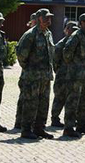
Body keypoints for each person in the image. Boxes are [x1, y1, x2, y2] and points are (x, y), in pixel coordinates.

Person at [15, 8, 55, 140]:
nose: (48, 20)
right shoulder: (30, 34)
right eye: (46, 18)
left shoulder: (48, 34)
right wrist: (29, 69)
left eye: (50, 17)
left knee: (43, 104)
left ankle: (39, 128)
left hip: (45, 77)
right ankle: (26, 130)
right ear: (38, 19)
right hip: (32, 77)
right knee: (30, 103)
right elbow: (21, 54)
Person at [62, 13, 85, 138]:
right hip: (75, 76)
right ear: (81, 23)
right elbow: (66, 53)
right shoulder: (76, 36)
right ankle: (69, 128)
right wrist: (74, 67)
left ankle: (82, 125)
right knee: (72, 102)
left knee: (84, 102)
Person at [13, 12, 38, 130]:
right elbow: (21, 54)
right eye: (34, 21)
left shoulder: (43, 34)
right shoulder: (28, 35)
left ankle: (30, 123)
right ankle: (19, 122)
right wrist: (26, 67)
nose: (36, 23)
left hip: (38, 75)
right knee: (24, 98)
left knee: (33, 99)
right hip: (27, 74)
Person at [50, 21, 77, 127]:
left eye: (75, 29)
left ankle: (70, 119)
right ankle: (55, 118)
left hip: (73, 75)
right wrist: (59, 71)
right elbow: (55, 60)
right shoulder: (61, 44)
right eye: (71, 29)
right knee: (59, 97)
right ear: (66, 30)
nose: (73, 31)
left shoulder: (76, 43)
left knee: (71, 98)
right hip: (62, 75)